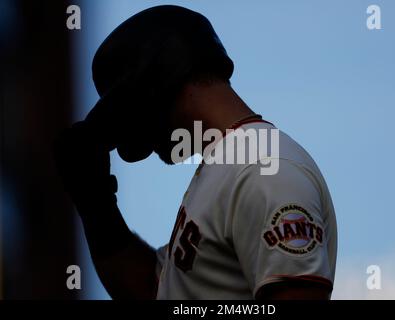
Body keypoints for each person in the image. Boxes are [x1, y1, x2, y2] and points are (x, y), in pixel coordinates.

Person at [54, 5, 337, 300]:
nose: (147, 145)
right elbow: (157, 292)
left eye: (134, 113)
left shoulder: (266, 169)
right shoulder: (225, 167)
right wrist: (97, 208)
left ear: (157, 84)